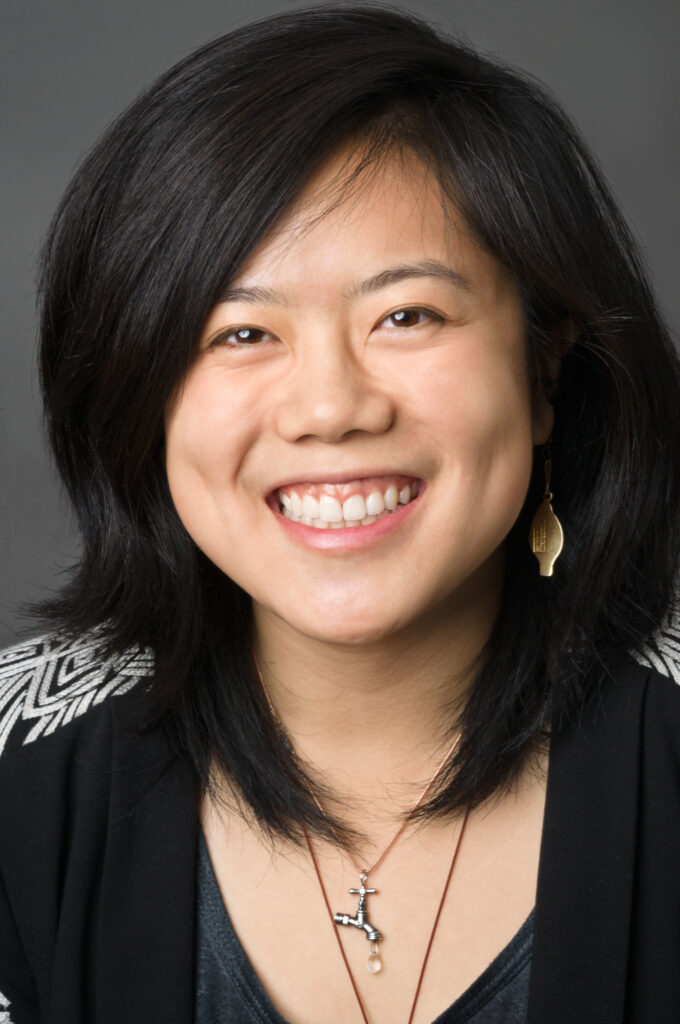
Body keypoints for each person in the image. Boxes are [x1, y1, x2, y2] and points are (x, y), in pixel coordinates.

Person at [1, 5, 679, 1023]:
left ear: (544, 369)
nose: (329, 408)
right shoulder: (19, 772)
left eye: (406, 315)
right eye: (238, 331)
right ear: (140, 393)